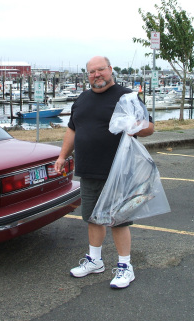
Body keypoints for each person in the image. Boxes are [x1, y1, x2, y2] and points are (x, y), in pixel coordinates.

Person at [54, 56, 154, 289]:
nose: (96, 75)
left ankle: (124, 266)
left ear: (110, 70)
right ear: (87, 75)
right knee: (92, 217)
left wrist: (135, 126)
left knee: (118, 220)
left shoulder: (126, 97)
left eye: (101, 70)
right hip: (88, 170)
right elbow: (72, 129)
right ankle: (95, 261)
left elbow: (149, 127)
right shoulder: (82, 99)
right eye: (91, 72)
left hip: (118, 171)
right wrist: (62, 156)